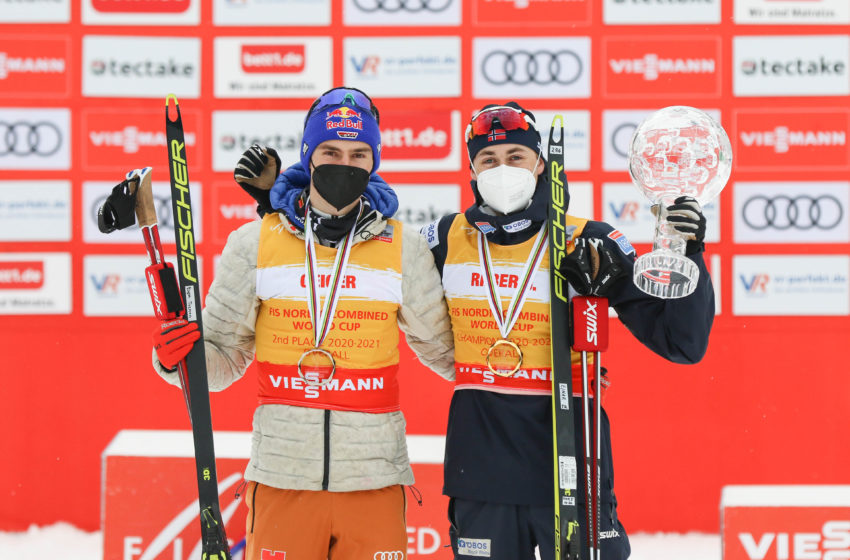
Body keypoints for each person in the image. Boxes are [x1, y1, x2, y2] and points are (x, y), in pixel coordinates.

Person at [151, 87, 455, 560]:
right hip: (281, 475)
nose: (344, 164)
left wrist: (548, 352)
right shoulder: (253, 242)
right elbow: (223, 359)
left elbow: (450, 353)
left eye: (359, 153)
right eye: (331, 151)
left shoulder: (405, 247)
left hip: (374, 477)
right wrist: (178, 359)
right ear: (309, 156)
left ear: (374, 161)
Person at [420, 102, 715, 560]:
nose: (503, 169)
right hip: (480, 468)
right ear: (472, 169)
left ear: (540, 162)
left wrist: (690, 255)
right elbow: (363, 264)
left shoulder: (590, 241)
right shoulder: (442, 238)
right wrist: (286, 200)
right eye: (488, 160)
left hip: (572, 458)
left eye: (516, 156)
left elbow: (681, 342)